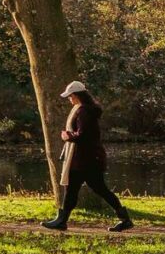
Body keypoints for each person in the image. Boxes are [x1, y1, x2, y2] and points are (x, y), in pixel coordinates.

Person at [42, 79, 134, 232]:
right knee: (85, 189)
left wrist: (68, 136)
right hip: (87, 158)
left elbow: (84, 135)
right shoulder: (86, 110)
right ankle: (124, 219)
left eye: (70, 96)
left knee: (89, 189)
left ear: (77, 95)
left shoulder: (84, 111)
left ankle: (62, 220)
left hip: (85, 159)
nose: (69, 99)